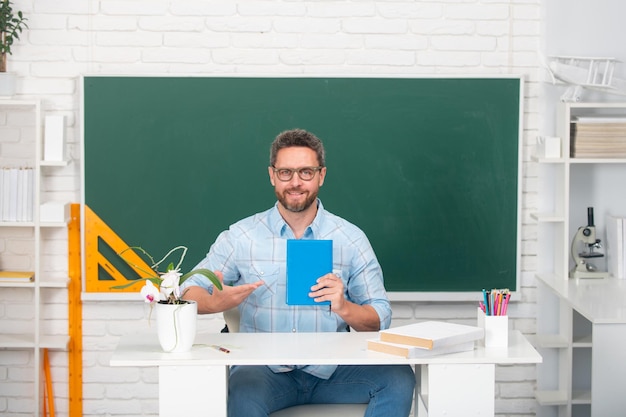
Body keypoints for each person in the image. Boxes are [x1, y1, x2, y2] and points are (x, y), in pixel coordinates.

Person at [181, 128, 415, 417]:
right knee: (242, 393)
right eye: (285, 173)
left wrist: (345, 307)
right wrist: (213, 303)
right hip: (264, 372)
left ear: (321, 175)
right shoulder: (241, 236)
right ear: (271, 175)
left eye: (306, 172)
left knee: (398, 378)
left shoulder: (350, 238)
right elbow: (187, 290)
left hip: (334, 370)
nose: (295, 182)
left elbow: (381, 317)